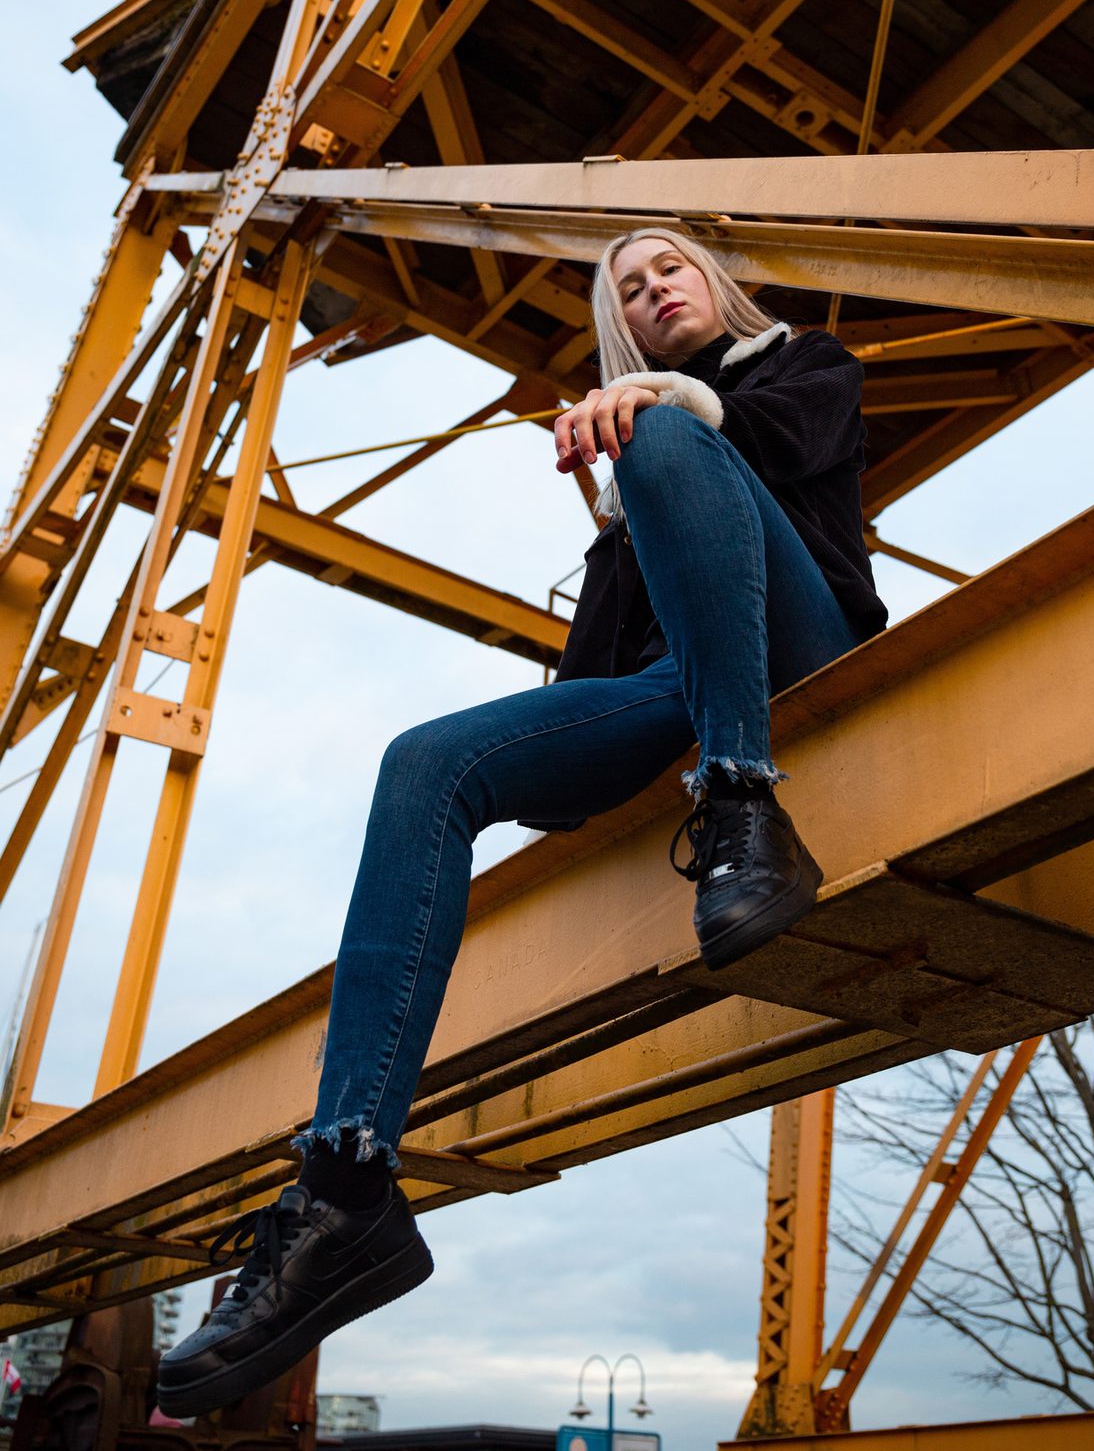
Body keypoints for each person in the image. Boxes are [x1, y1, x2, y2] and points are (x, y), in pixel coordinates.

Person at [157, 230, 887, 1417]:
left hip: (799, 647)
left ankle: (742, 800)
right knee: (424, 764)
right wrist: (617, 534)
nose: (654, 291)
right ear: (617, 325)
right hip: (673, 686)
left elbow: (783, 442)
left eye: (668, 269)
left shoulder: (803, 365)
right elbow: (595, 674)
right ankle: (344, 1193)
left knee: (667, 442)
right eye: (628, 292)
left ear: (713, 281)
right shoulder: (632, 460)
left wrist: (659, 415)